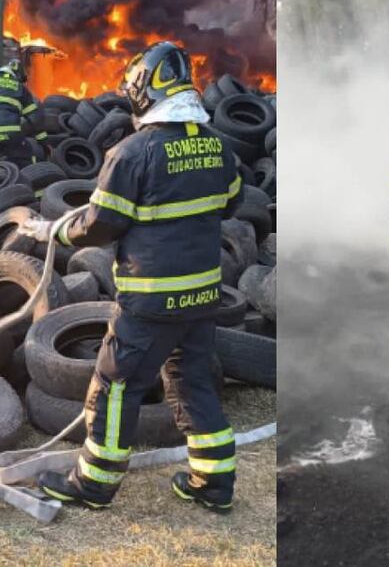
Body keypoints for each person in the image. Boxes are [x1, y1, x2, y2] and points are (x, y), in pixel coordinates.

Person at [37, 41, 243, 512]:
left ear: (145, 92)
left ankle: (93, 484)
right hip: (203, 294)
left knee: (116, 385)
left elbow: (101, 223)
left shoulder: (133, 152)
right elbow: (230, 201)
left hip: (151, 301)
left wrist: (52, 230)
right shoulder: (218, 146)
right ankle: (213, 484)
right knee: (192, 382)